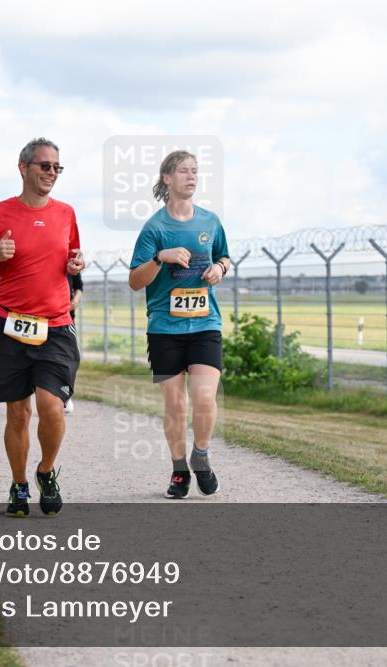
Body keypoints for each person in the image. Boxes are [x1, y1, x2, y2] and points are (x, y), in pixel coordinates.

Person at [0, 137, 83, 517]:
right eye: (45, 166)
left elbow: (71, 258)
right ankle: (18, 486)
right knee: (18, 413)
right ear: (24, 168)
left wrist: (76, 265)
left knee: (53, 407)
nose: (51, 173)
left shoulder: (66, 213)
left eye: (56, 168)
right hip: (11, 323)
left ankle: (45, 472)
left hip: (55, 324)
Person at [128, 150, 231, 499]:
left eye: (195, 171)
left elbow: (225, 256)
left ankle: (200, 455)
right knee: (176, 406)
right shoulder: (154, 228)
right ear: (167, 178)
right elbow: (135, 281)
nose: (192, 176)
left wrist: (221, 269)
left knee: (204, 398)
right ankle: (178, 470)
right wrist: (161, 257)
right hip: (165, 329)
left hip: (205, 324)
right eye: (184, 171)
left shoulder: (210, 221)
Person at [64, 272, 84, 414]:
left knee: (69, 358)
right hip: (41, 317)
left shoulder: (70, 259)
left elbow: (79, 286)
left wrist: (75, 300)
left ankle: (66, 394)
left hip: (66, 318)